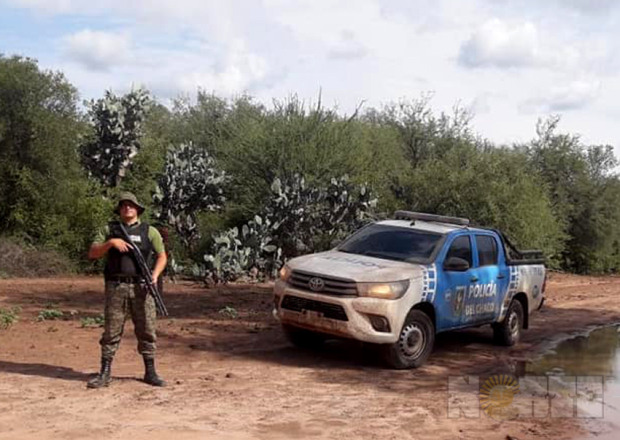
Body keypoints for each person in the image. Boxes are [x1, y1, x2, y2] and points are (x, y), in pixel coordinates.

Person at [86, 192, 168, 388]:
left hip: (142, 286)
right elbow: (92, 253)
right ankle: (105, 373)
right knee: (111, 330)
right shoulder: (109, 229)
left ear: (138, 209)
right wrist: (110, 243)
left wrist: (155, 276)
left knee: (147, 329)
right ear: (120, 209)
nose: (127, 208)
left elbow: (162, 256)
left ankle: (150, 372)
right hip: (116, 286)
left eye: (131, 205)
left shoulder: (150, 231)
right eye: (123, 205)